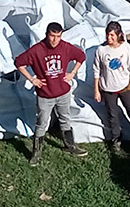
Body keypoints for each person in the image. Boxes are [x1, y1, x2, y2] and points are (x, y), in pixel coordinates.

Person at [15, 22, 88, 166]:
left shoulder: (66, 47)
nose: (55, 40)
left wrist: (72, 72)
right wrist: (32, 79)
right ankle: (36, 153)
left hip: (63, 93)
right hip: (45, 95)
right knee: (41, 123)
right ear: (47, 34)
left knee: (65, 119)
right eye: (52, 36)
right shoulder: (37, 50)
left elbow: (81, 56)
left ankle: (70, 146)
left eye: (58, 36)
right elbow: (19, 63)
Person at [93, 21, 130, 152]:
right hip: (108, 89)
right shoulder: (101, 50)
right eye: (107, 35)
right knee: (113, 115)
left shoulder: (126, 48)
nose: (109, 38)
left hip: (125, 86)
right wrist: (96, 90)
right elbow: (96, 70)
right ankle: (116, 139)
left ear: (118, 35)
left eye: (112, 35)